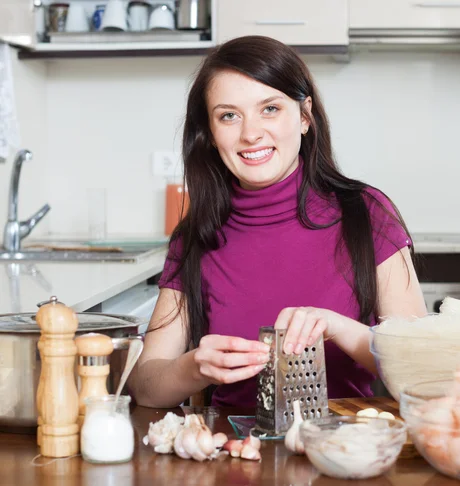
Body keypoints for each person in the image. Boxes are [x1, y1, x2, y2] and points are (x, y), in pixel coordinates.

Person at [128, 35, 428, 409]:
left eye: (269, 108)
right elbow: (145, 385)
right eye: (229, 115)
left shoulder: (364, 212)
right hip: (233, 453)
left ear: (304, 117)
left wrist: (337, 328)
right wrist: (195, 368)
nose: (250, 133)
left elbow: (423, 368)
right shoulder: (196, 236)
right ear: (209, 134)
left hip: (344, 449)